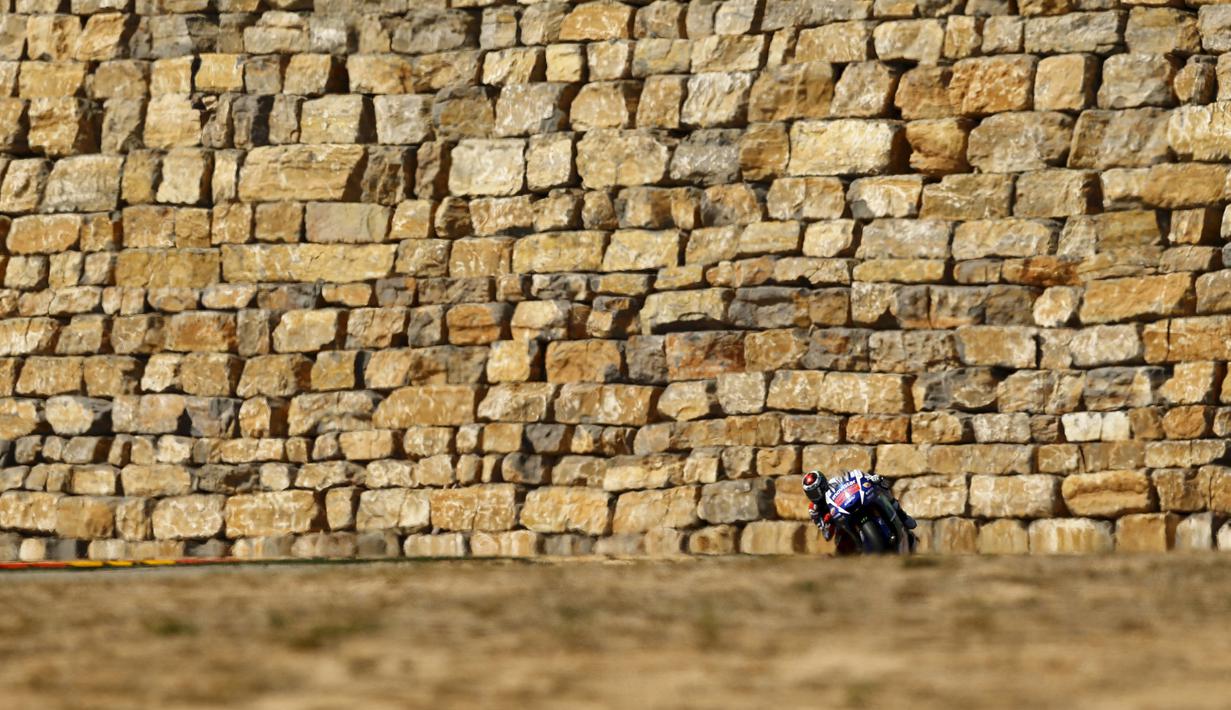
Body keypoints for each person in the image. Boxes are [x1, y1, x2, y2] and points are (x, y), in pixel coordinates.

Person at [802, 470, 916, 553]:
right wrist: (828, 522)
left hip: (849, 504)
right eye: (812, 494)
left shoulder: (834, 483)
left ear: (823, 484)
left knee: (881, 488)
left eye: (817, 491)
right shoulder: (814, 509)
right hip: (840, 523)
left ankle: (902, 516)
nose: (816, 496)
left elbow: (850, 480)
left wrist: (870, 479)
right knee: (842, 543)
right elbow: (826, 534)